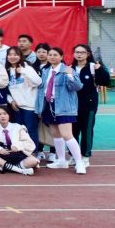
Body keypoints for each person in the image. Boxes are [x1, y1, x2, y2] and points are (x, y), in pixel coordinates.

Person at [35, 46, 86, 174]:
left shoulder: (67, 70)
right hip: (48, 105)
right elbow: (41, 90)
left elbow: (78, 86)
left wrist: (69, 75)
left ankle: (79, 162)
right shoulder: (45, 70)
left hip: (63, 106)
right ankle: (61, 160)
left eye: (55, 55)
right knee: (56, 134)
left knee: (67, 135)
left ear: (61, 57)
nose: (52, 57)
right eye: (50, 55)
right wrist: (40, 108)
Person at [0, 105, 38, 176]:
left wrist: (17, 147)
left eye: (5, 113)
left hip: (17, 154)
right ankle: (20, 170)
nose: (2, 116)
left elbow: (29, 144)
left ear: (9, 115)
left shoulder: (18, 127)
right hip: (1, 154)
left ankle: (7, 167)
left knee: (34, 161)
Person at [71, 44, 99, 160]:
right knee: (73, 131)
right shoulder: (70, 68)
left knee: (86, 131)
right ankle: (74, 156)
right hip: (72, 105)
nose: (79, 54)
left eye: (82, 52)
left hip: (89, 105)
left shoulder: (93, 67)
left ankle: (85, 156)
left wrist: (100, 69)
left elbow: (105, 81)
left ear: (88, 54)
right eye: (77, 52)